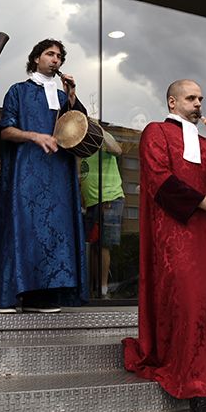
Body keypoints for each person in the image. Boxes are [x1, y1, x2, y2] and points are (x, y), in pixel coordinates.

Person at [122, 79, 206, 412]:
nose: (199, 103)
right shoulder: (155, 132)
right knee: (187, 303)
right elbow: (157, 178)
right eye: (191, 98)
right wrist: (200, 201)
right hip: (176, 235)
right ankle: (196, 388)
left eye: (201, 98)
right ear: (172, 102)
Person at [0, 39, 88, 313]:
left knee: (53, 233)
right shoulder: (17, 91)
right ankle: (7, 296)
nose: (55, 60)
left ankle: (40, 298)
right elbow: (6, 130)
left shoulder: (62, 96)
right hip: (27, 171)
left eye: (58, 56)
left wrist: (72, 96)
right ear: (35, 59)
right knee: (23, 229)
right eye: (49, 54)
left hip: (58, 174)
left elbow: (80, 128)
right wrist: (34, 136)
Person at [80, 127, 125, 298]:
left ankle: (103, 289)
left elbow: (117, 150)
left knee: (103, 244)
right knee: (93, 246)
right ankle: (94, 288)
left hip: (109, 198)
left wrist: (98, 129)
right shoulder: (83, 145)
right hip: (92, 202)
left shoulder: (101, 139)